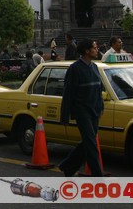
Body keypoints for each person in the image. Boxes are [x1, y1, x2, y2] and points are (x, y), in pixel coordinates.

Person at [58, 39, 104, 177]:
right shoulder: (75, 69)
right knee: (91, 143)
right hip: (82, 111)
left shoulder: (95, 67)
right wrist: (65, 115)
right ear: (87, 51)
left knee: (87, 142)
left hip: (94, 110)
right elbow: (68, 93)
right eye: (95, 48)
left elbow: (98, 89)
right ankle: (98, 176)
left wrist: (101, 106)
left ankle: (67, 166)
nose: (97, 50)